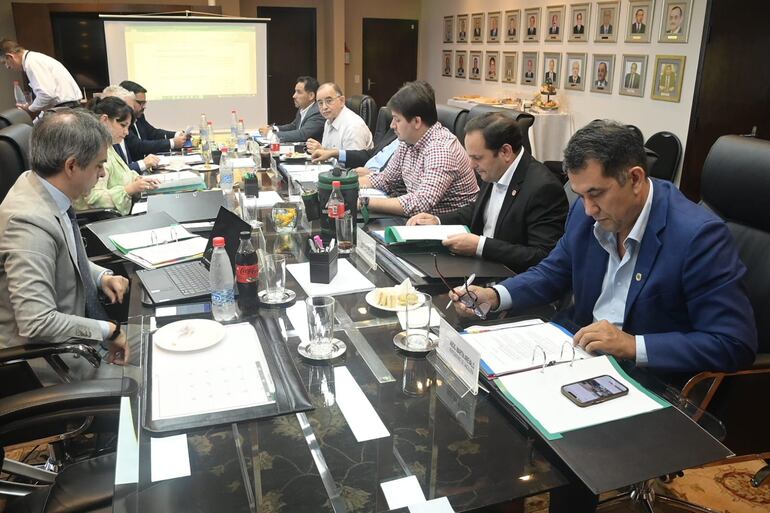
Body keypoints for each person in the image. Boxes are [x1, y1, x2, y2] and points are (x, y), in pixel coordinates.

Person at [450, 119, 757, 376]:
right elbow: (554, 271)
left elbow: (733, 343)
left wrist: (632, 345)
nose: (588, 209)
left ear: (635, 179)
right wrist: (494, 295)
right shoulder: (587, 213)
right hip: (577, 353)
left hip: (646, 377)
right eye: (580, 195)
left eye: (596, 194)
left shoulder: (698, 237)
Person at [0, 109, 131, 378]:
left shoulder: (38, 185)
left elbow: (62, 256)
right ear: (71, 166)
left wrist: (100, 277)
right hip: (50, 363)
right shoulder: (28, 223)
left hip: (76, 338)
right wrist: (108, 330)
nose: (102, 174)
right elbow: (37, 322)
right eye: (98, 165)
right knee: (156, 377)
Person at [406, 113, 568, 273]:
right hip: (477, 265)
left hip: (508, 276)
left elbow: (542, 256)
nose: (471, 165)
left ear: (505, 152)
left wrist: (480, 246)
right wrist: (437, 221)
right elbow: (479, 211)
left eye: (477, 157)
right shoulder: (494, 168)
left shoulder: (543, 188)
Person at [359, 81, 478, 216]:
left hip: (444, 224)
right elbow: (386, 179)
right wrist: (347, 185)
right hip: (418, 220)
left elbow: (420, 203)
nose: (392, 125)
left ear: (416, 122)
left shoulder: (441, 150)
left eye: (397, 120)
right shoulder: (408, 141)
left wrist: (365, 202)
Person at [74, 97, 160, 215]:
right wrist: (130, 189)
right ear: (104, 120)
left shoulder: (108, 146)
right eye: (123, 125)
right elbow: (94, 198)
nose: (126, 132)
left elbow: (122, 173)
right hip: (104, 219)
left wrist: (137, 179)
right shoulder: (93, 150)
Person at [0, 38, 81, 120]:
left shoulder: (31, 63)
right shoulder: (34, 58)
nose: (7, 67)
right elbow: (48, 98)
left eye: (5, 63)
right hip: (65, 109)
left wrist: (30, 108)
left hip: (65, 112)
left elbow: (46, 94)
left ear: (10, 57)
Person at [119, 80, 187, 159]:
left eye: (144, 103)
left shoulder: (139, 117)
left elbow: (153, 133)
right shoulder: (122, 123)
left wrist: (178, 134)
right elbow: (138, 145)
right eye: (140, 103)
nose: (144, 107)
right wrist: (172, 143)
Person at [101, 84, 160, 174]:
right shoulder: (102, 143)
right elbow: (116, 174)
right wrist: (143, 164)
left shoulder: (118, 132)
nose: (131, 113)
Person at [305, 82, 373, 153]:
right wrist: (320, 150)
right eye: (320, 103)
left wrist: (322, 151)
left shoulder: (353, 126)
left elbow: (355, 159)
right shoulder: (329, 121)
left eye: (329, 101)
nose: (324, 107)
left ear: (341, 101)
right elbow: (327, 152)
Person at [259, 76, 324, 143]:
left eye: (299, 92)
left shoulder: (318, 112)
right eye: (295, 92)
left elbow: (303, 134)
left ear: (311, 96)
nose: (294, 96)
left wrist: (271, 135)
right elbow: (293, 126)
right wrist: (274, 128)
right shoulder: (302, 108)